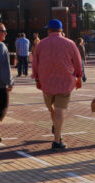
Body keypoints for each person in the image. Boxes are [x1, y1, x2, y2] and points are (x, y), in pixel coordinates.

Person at [32, 19, 83, 151]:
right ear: (61, 30)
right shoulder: (70, 43)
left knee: (52, 108)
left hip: (46, 82)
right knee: (60, 109)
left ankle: (57, 132)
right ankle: (56, 139)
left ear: (49, 30)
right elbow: (78, 62)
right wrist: (79, 76)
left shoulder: (41, 44)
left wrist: (37, 79)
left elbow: (35, 63)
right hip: (65, 81)